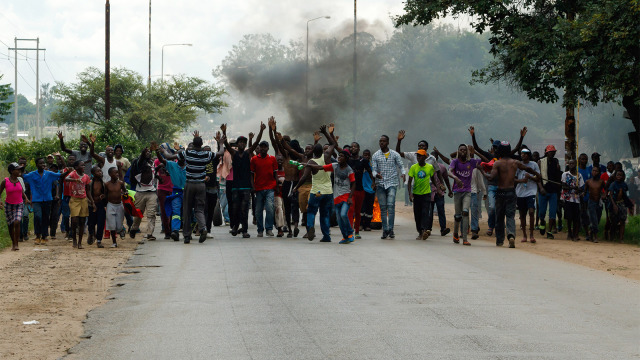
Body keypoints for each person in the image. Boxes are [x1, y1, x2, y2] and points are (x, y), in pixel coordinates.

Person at [468, 126, 527, 236]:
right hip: (492, 186)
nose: (495, 149)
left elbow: (516, 148)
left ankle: (501, 228)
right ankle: (491, 226)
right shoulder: (491, 156)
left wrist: (521, 137)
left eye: (497, 147)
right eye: (494, 147)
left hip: (503, 187)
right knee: (492, 208)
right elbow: (477, 148)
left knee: (505, 210)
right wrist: (473, 135)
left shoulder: (507, 156)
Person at [485, 141, 540, 248]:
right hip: (511, 192)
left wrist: (481, 170)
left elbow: (491, 177)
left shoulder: (497, 163)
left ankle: (500, 240)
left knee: (499, 216)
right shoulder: (515, 162)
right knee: (510, 215)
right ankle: (511, 235)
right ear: (509, 151)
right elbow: (527, 168)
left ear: (499, 151)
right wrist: (537, 174)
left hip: (500, 192)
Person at [294, 125, 337, 242]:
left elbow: (304, 177)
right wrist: (326, 133)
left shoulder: (311, 162)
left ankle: (310, 227)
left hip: (317, 191)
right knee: (324, 214)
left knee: (311, 211)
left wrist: (296, 187)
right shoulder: (327, 157)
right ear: (322, 151)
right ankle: (326, 236)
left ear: (313, 152)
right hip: (328, 191)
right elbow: (333, 144)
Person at [307, 148, 356, 244]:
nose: (339, 157)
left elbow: (354, 183)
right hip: (334, 196)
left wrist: (350, 197)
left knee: (342, 214)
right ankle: (344, 237)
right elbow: (321, 167)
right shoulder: (334, 165)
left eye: (342, 156)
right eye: (339, 155)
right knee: (338, 219)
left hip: (344, 196)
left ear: (346, 158)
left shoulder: (349, 170)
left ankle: (350, 232)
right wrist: (307, 165)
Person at [221, 123, 261, 238]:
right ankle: (235, 226)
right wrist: (224, 132)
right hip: (235, 186)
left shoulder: (248, 153)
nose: (242, 144)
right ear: (237, 144)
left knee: (244, 209)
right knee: (235, 208)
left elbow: (256, 143)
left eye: (244, 142)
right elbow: (227, 144)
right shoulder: (233, 153)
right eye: (240, 142)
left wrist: (261, 131)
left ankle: (244, 230)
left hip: (246, 186)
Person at [23, 156, 67, 245]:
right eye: (40, 163)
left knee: (45, 217)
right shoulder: (32, 175)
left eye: (43, 163)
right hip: (36, 200)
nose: (43, 165)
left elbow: (60, 175)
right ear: (36, 165)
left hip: (47, 199)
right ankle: (37, 235)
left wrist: (67, 169)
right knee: (38, 216)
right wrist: (22, 167)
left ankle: (44, 236)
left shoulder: (49, 174)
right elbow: (22, 176)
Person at [371, 134, 406, 239]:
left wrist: (403, 173)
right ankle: (385, 230)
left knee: (391, 206)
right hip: (380, 183)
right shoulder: (375, 155)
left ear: (388, 142)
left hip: (392, 182)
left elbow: (401, 165)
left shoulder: (395, 154)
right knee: (382, 208)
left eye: (383, 141)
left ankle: (391, 229)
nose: (381, 143)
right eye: (380, 141)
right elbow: (373, 169)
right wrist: (375, 174)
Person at [448, 144, 484, 245]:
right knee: (458, 216)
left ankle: (464, 239)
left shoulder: (471, 162)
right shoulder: (455, 162)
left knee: (465, 212)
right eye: (461, 150)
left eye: (465, 150)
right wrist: (456, 178)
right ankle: (455, 233)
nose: (463, 151)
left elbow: (485, 160)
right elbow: (449, 172)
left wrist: (475, 152)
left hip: (467, 191)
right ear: (458, 151)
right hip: (457, 191)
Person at [155, 145, 187, 241]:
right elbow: (162, 160)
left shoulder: (190, 166)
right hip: (176, 192)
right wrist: (158, 153)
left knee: (188, 212)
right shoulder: (172, 165)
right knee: (176, 211)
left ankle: (187, 232)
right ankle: (175, 231)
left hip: (187, 192)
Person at [251, 130, 278, 237]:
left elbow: (275, 173)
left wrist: (276, 186)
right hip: (258, 188)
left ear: (267, 148)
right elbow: (251, 174)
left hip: (270, 187)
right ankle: (260, 230)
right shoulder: (254, 159)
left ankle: (269, 229)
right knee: (258, 211)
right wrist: (252, 186)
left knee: (270, 208)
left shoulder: (272, 159)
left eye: (264, 147)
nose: (262, 148)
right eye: (261, 147)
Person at [129, 146, 158, 241]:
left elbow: (153, 174)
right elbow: (141, 162)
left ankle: (150, 233)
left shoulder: (152, 163)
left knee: (151, 214)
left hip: (151, 192)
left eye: (149, 152)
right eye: (146, 152)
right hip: (140, 192)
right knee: (138, 213)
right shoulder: (139, 163)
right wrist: (142, 154)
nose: (148, 153)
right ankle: (134, 228)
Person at [407, 149, 437, 240]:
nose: (418, 157)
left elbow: (433, 179)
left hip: (426, 193)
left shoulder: (430, 167)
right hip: (416, 194)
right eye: (417, 156)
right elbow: (409, 182)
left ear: (425, 157)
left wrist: (438, 188)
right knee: (417, 213)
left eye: (420, 156)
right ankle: (419, 231)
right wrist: (410, 194)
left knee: (425, 212)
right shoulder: (413, 167)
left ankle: (424, 230)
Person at [0, 163, 31, 250]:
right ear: (12, 171)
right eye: (17, 169)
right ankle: (13, 243)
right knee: (10, 225)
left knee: (17, 222)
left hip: (19, 204)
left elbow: (22, 191)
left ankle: (16, 244)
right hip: (9, 205)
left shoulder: (20, 180)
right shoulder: (5, 181)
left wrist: (26, 198)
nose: (19, 171)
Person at [64, 160, 94, 249]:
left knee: (82, 221)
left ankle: (80, 242)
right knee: (74, 220)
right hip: (74, 199)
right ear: (76, 167)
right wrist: (75, 180)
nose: (84, 167)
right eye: (82, 165)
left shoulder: (86, 177)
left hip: (83, 199)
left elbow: (88, 190)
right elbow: (66, 178)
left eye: (84, 165)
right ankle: (74, 239)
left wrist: (92, 201)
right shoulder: (73, 174)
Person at [515, 148, 540, 243]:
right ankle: (524, 235)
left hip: (531, 191)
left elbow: (539, 177)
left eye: (525, 154)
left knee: (531, 212)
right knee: (522, 214)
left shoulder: (534, 165)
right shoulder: (518, 165)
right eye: (521, 154)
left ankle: (532, 234)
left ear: (528, 155)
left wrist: (530, 176)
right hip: (520, 192)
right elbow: (514, 179)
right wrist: (521, 181)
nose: (523, 155)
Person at [537, 145, 562, 239]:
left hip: (553, 191)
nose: (552, 153)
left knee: (552, 212)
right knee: (542, 212)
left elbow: (557, 176)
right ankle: (542, 223)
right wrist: (541, 188)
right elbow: (537, 177)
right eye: (551, 152)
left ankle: (550, 231)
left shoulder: (556, 162)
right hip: (543, 190)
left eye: (553, 152)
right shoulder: (540, 162)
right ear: (546, 153)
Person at [561, 159, 585, 241]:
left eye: (573, 163)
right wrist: (571, 187)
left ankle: (575, 234)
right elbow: (563, 186)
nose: (571, 165)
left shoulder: (579, 175)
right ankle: (569, 233)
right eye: (570, 163)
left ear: (576, 164)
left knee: (576, 218)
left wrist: (578, 189)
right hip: (567, 199)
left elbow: (582, 188)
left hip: (576, 199)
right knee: (569, 217)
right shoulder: (565, 174)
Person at [608, 170, 634, 243]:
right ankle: (612, 236)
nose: (619, 177)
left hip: (622, 204)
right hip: (614, 203)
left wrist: (629, 206)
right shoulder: (613, 184)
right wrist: (614, 205)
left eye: (620, 175)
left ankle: (621, 238)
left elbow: (626, 196)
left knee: (622, 221)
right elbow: (610, 195)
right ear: (615, 176)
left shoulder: (624, 185)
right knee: (614, 221)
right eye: (617, 175)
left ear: (623, 176)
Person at [104, 167, 127, 248]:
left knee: (119, 225)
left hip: (119, 205)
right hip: (110, 205)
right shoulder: (107, 184)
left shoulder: (120, 183)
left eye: (117, 173)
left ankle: (121, 230)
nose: (117, 174)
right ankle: (114, 242)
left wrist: (125, 194)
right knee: (112, 225)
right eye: (115, 173)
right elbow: (105, 194)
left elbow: (125, 191)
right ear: (110, 174)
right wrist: (104, 204)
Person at [204, 141, 222, 236]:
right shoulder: (200, 160)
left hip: (212, 188)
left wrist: (220, 142)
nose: (207, 153)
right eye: (205, 151)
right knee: (203, 210)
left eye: (209, 151)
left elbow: (220, 153)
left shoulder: (214, 160)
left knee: (210, 210)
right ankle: (202, 229)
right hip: (202, 188)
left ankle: (208, 230)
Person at [584, 167, 606, 243]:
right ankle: (595, 237)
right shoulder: (588, 182)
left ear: (599, 172)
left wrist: (604, 195)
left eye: (596, 171)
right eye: (593, 170)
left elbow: (605, 191)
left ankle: (591, 233)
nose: (594, 172)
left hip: (598, 202)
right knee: (593, 219)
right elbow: (585, 191)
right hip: (591, 202)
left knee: (598, 219)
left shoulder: (601, 182)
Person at [87, 166, 107, 247]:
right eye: (98, 171)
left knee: (101, 223)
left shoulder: (104, 183)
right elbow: (87, 194)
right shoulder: (90, 183)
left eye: (100, 171)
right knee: (91, 223)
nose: (100, 173)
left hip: (100, 204)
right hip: (91, 205)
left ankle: (99, 240)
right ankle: (91, 234)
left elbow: (106, 194)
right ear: (93, 173)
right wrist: (92, 203)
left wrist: (104, 196)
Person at [577, 153, 592, 239]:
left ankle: (587, 233)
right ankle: (577, 232)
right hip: (578, 195)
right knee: (579, 214)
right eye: (582, 159)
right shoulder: (576, 170)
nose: (584, 161)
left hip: (587, 195)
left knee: (586, 215)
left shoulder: (588, 170)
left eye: (585, 159)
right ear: (579, 160)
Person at [360, 149, 376, 231]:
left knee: (369, 208)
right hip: (362, 188)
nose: (366, 156)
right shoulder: (360, 163)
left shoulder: (372, 164)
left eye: (368, 155)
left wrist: (374, 183)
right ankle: (361, 224)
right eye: (365, 155)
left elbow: (375, 174)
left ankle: (367, 225)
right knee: (362, 207)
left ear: (370, 156)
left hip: (371, 189)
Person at [470, 166, 487, 239]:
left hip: (474, 192)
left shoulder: (476, 169)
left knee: (474, 211)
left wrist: (484, 192)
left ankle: (474, 230)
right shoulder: (460, 165)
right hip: (464, 191)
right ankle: (464, 230)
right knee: (465, 211)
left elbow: (480, 181)